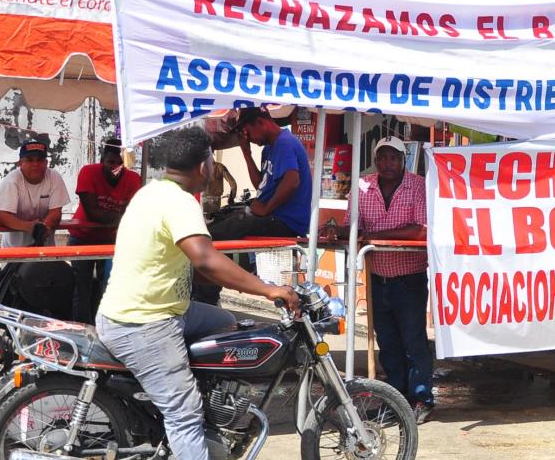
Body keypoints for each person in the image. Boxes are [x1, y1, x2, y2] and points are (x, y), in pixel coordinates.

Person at [96, 127, 299, 460]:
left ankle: (210, 404)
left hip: (155, 309)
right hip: (145, 324)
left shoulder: (152, 192)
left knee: (224, 321)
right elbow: (207, 260)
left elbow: (196, 265)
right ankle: (187, 417)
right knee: (184, 412)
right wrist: (268, 289)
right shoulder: (179, 203)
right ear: (204, 166)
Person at [320, 135, 434, 424]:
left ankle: (421, 399)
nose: (387, 163)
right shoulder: (361, 186)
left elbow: (420, 231)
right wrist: (337, 232)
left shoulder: (417, 186)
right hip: (376, 276)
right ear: (375, 159)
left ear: (403, 160)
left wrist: (374, 238)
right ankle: (395, 400)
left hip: (408, 276)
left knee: (414, 341)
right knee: (387, 343)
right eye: (382, 157)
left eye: (393, 157)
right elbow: (351, 227)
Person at [208, 107, 312, 240]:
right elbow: (261, 186)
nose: (248, 138)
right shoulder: (268, 149)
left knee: (229, 228)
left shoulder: (284, 143)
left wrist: (266, 209)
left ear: (260, 123)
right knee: (221, 219)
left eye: (248, 132)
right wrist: (247, 153)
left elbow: (292, 181)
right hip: (272, 216)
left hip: (286, 221)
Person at [68, 138, 141, 323]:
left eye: (119, 163)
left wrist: (119, 220)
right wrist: (121, 219)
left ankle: (106, 327)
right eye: (111, 162)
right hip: (82, 237)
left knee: (110, 287)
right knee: (80, 288)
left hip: (112, 240)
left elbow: (134, 212)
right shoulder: (88, 172)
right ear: (102, 160)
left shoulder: (133, 179)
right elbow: (92, 212)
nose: (115, 167)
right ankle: (81, 327)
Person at [0, 140, 71, 248]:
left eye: (40, 160)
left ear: (46, 163)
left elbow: (56, 213)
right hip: (14, 249)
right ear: (20, 163)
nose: (35, 164)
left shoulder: (54, 177)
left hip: (45, 248)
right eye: (29, 160)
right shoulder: (11, 181)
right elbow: (3, 217)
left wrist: (44, 227)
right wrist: (32, 227)